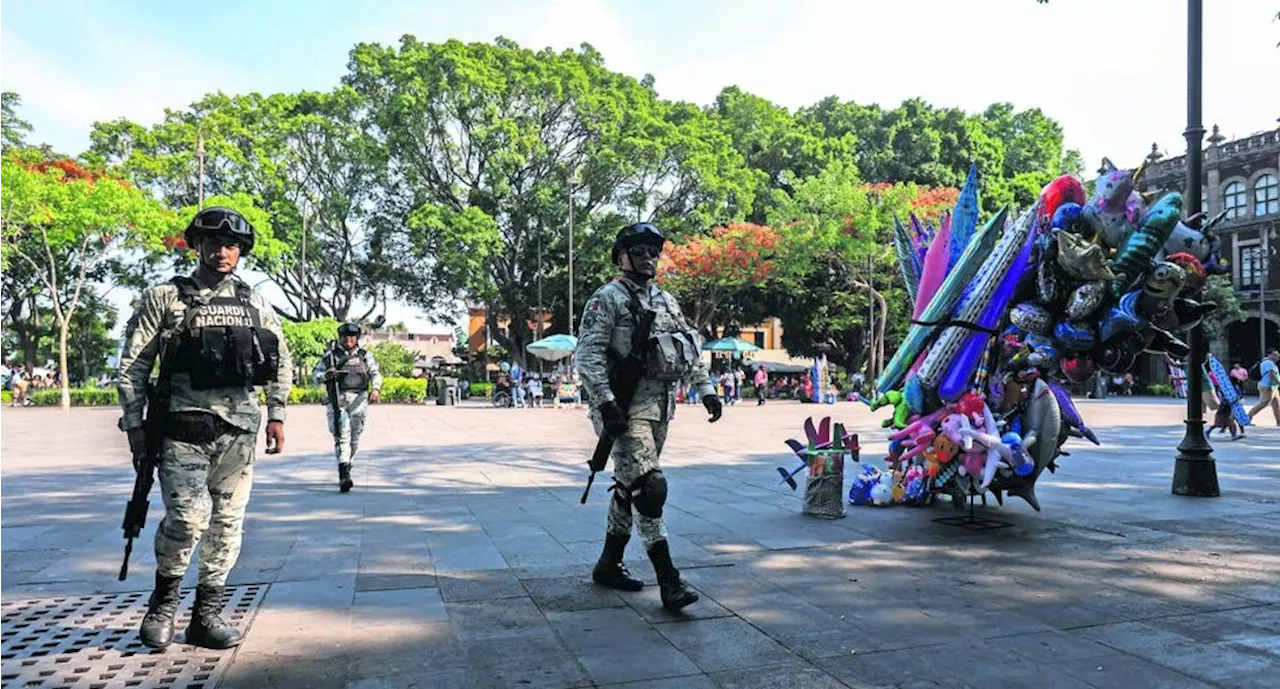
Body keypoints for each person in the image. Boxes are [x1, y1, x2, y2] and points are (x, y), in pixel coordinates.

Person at [117, 207, 292, 650]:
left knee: (228, 524)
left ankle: (206, 616)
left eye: (231, 245)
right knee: (189, 519)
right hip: (181, 428)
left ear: (241, 251)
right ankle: (163, 605)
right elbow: (134, 365)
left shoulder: (255, 302)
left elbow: (280, 359)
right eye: (212, 243)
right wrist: (134, 424)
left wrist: (277, 413)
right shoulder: (165, 297)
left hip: (239, 432)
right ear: (196, 245)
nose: (221, 252)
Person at [575, 222, 722, 610]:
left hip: (660, 408)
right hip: (622, 409)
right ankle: (669, 580)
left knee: (628, 487)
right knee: (650, 487)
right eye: (638, 250)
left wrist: (706, 390)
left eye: (652, 251)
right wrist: (606, 403)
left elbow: (686, 348)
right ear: (621, 256)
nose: (647, 258)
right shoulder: (606, 298)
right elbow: (587, 354)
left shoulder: (667, 301)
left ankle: (608, 564)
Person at [313, 323, 383, 492]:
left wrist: (376, 389)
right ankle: (343, 472)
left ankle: (347, 463)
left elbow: (375, 373)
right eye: (345, 336)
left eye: (352, 336)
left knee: (355, 438)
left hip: (359, 401)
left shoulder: (365, 355)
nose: (348, 339)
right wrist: (326, 375)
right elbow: (315, 375)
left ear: (356, 338)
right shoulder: (330, 356)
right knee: (341, 435)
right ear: (340, 338)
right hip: (338, 401)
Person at [1249, 349, 1280, 425]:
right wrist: (1278, 382)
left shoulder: (1270, 363)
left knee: (1276, 403)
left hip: (1273, 386)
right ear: (1270, 355)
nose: (1277, 356)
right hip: (1268, 386)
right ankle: (1248, 417)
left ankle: (1279, 421)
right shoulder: (1268, 363)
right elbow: (1271, 374)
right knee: (1263, 403)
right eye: (1275, 354)